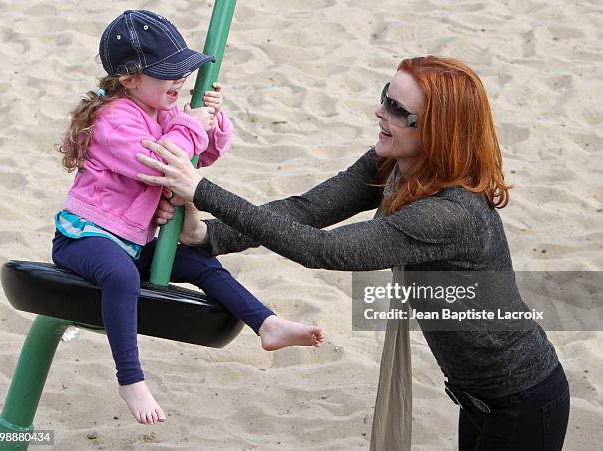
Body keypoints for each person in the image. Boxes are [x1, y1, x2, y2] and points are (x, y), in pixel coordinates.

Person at [136, 56, 570, 450]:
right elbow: (307, 210)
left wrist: (203, 190)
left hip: (521, 402)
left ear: (437, 130)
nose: (381, 112)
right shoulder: (395, 162)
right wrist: (208, 236)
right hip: (475, 397)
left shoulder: (449, 214)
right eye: (386, 97)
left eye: (399, 111)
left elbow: (324, 250)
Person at [52, 10, 324, 426]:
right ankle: (130, 378)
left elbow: (201, 157)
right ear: (130, 79)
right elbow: (162, 160)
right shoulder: (114, 119)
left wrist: (211, 123)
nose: (179, 81)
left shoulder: (160, 112)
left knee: (201, 262)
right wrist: (187, 125)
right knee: (121, 277)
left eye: (183, 70)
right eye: (168, 73)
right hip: (86, 239)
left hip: (130, 241)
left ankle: (266, 324)